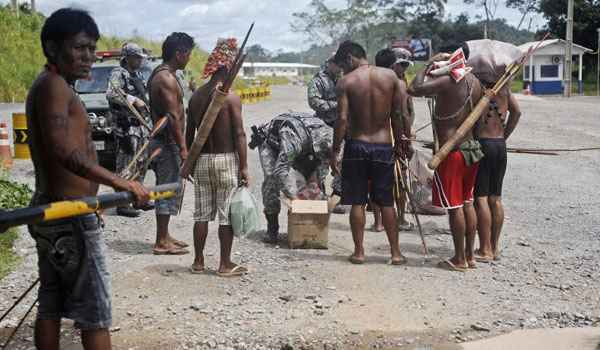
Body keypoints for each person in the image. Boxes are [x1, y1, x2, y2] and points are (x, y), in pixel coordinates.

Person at [26, 8, 149, 350]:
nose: (89, 57)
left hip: (55, 214)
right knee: (95, 311)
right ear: (52, 47)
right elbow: (66, 152)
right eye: (80, 48)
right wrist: (120, 183)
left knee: (50, 302)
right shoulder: (53, 86)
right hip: (69, 216)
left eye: (93, 49)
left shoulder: (54, 85)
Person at [331, 41, 412, 265]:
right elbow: (399, 115)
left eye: (342, 65)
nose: (342, 70)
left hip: (356, 145)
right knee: (386, 201)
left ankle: (359, 252)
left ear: (349, 58)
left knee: (357, 202)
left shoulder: (346, 82)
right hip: (383, 145)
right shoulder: (391, 78)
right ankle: (395, 253)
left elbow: (342, 119)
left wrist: (335, 150)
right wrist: (402, 142)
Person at [408, 50, 484, 272]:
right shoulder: (476, 82)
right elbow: (477, 124)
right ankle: (469, 256)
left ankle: (459, 259)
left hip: (451, 152)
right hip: (471, 149)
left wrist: (428, 64)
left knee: (455, 206)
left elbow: (413, 88)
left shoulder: (449, 80)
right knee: (468, 202)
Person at [186, 38, 249, 277]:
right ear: (228, 66)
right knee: (225, 216)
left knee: (201, 214)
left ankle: (198, 262)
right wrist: (244, 167)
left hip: (201, 161)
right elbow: (240, 134)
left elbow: (188, 136)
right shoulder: (230, 98)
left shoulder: (195, 97)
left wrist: (190, 164)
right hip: (225, 161)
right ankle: (224, 264)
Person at [250, 112, 333, 244]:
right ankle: (272, 228)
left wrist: (316, 190)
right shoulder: (294, 141)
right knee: (272, 180)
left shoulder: (331, 140)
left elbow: (323, 168)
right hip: (271, 143)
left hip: (305, 145)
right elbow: (280, 170)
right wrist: (294, 199)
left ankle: (309, 229)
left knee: (312, 185)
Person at [147, 32, 195, 255]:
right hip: (166, 144)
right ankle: (161, 241)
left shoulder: (167, 75)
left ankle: (165, 235)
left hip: (169, 143)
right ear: (179, 53)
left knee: (171, 187)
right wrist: (184, 148)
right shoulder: (165, 79)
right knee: (165, 189)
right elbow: (173, 116)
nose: (189, 58)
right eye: (188, 54)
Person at [473, 86, 521, 261]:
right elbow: (517, 112)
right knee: (496, 198)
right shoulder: (504, 90)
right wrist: (503, 135)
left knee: (481, 198)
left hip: (484, 144)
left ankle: (485, 249)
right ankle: (494, 247)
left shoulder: (478, 88)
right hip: (500, 145)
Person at [372, 47, 416, 232]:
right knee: (388, 180)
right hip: (389, 137)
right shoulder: (395, 85)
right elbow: (402, 115)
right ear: (392, 64)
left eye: (406, 65)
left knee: (397, 180)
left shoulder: (399, 82)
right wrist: (404, 139)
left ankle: (400, 217)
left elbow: (408, 113)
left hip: (389, 137)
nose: (403, 69)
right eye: (400, 65)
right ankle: (380, 221)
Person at [106, 42, 150, 217]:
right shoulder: (118, 73)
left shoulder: (137, 75)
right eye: (137, 58)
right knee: (127, 165)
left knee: (141, 163)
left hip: (141, 127)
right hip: (126, 127)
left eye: (141, 58)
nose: (140, 61)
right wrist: (132, 99)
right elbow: (112, 93)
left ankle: (138, 198)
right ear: (128, 58)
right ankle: (122, 204)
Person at [307, 57, 345, 213]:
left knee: (341, 161)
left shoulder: (343, 79)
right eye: (336, 64)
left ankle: (337, 196)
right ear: (329, 63)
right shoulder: (318, 80)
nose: (339, 67)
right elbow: (314, 101)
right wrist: (337, 104)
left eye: (340, 64)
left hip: (341, 126)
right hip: (324, 126)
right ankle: (320, 196)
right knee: (322, 162)